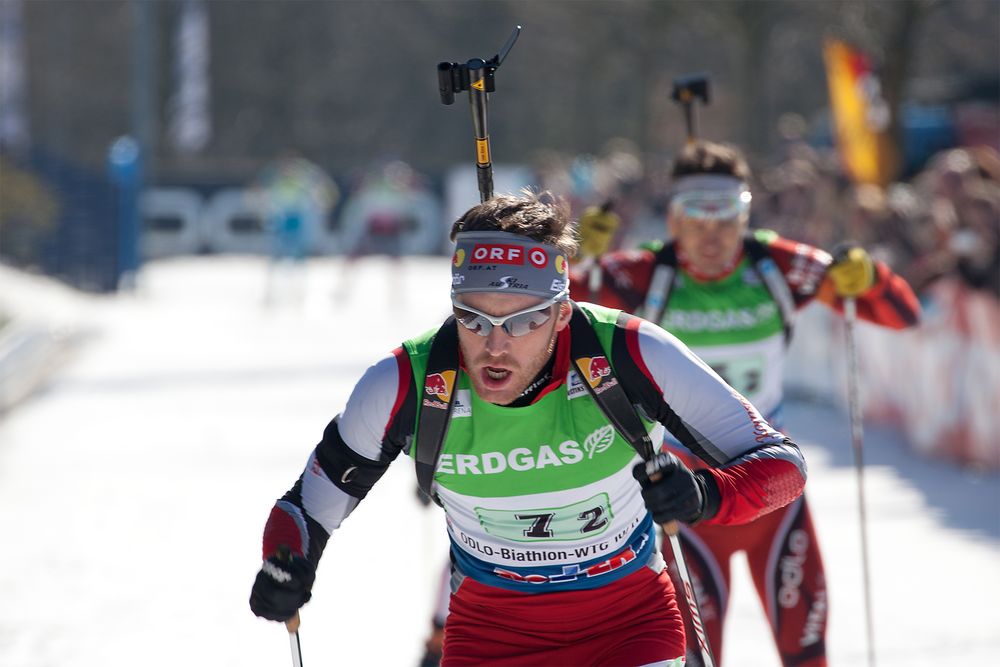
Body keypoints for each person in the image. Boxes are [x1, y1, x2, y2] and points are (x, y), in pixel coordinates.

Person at [249, 191, 809, 667]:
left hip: (629, 627)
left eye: (522, 321)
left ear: (563, 313)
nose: (495, 345)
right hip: (490, 638)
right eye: (473, 318)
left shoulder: (629, 351)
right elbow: (304, 510)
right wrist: (284, 565)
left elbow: (783, 462)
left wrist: (706, 495)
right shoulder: (404, 383)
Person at [570, 141, 921, 667]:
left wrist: (871, 277)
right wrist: (577, 256)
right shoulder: (644, 275)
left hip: (770, 489)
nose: (711, 233)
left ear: (747, 213)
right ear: (672, 218)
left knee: (806, 652)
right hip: (685, 498)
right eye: (694, 215)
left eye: (727, 214)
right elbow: (546, 322)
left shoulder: (778, 265)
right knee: (699, 659)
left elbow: (901, 315)